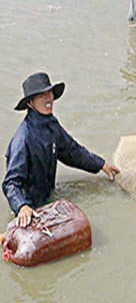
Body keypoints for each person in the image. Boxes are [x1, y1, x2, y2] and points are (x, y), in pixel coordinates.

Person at [2, 73, 120, 229]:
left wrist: (100, 164)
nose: (48, 98)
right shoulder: (23, 139)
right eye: (41, 95)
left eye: (49, 93)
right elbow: (10, 183)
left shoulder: (52, 125)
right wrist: (22, 206)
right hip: (30, 209)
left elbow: (72, 151)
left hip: (46, 197)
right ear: (30, 103)